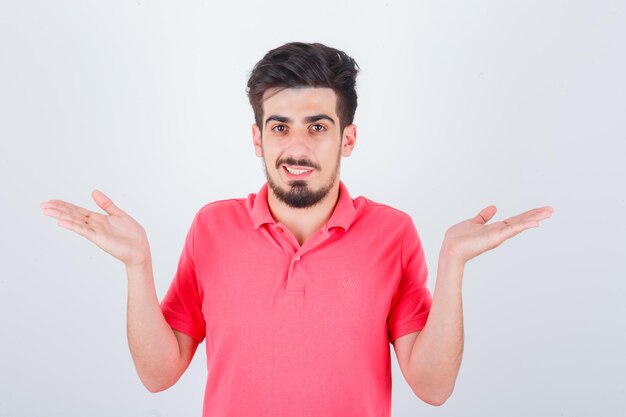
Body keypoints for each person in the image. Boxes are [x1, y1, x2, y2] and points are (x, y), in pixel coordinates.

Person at [40, 42, 553, 417]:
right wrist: (137, 265)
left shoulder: (393, 233)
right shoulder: (211, 225)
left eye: (318, 126)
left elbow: (433, 387)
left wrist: (453, 264)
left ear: (347, 138)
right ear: (257, 137)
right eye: (280, 126)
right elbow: (159, 375)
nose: (297, 146)